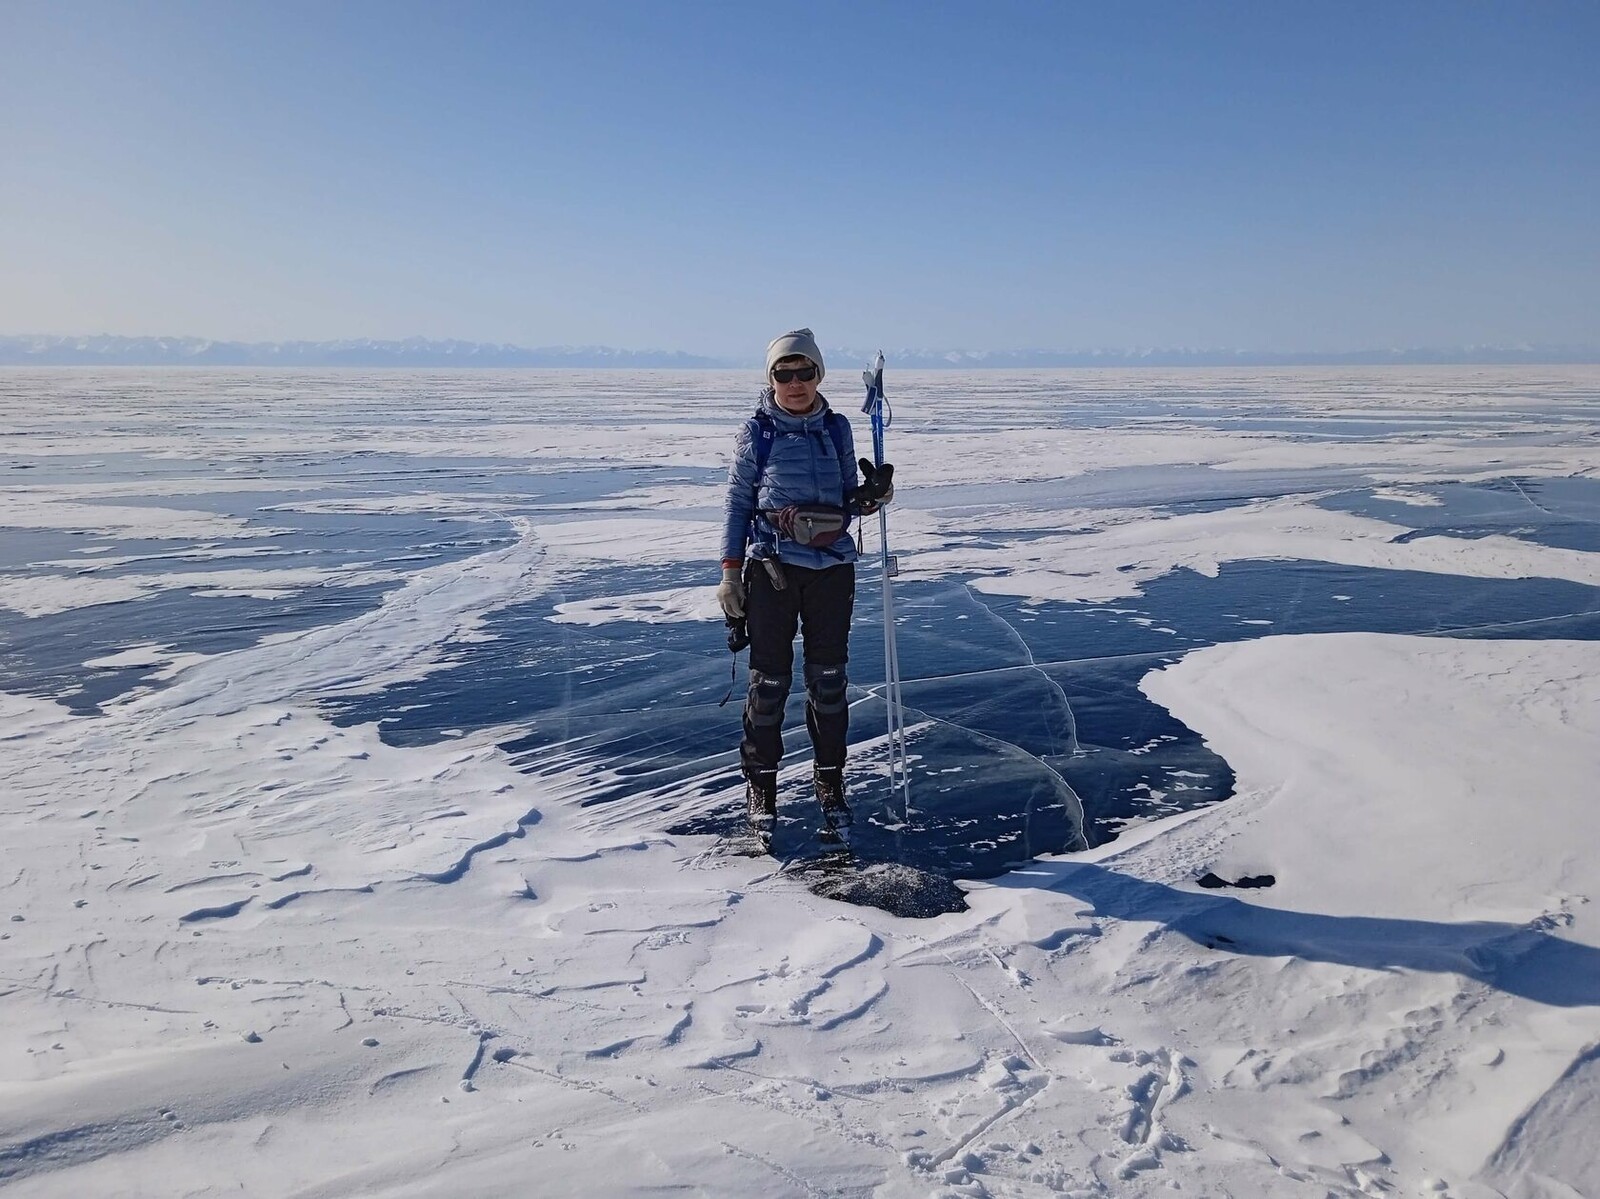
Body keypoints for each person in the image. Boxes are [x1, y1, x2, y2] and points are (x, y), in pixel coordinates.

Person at [717, 329, 895, 847]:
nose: (794, 383)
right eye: (784, 374)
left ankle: (830, 782)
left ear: (818, 375)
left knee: (829, 681)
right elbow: (738, 504)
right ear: (771, 378)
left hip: (832, 569)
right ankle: (762, 789)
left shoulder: (837, 428)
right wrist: (730, 573)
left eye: (804, 372)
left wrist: (874, 496)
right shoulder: (757, 432)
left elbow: (848, 500)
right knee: (769, 684)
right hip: (772, 569)